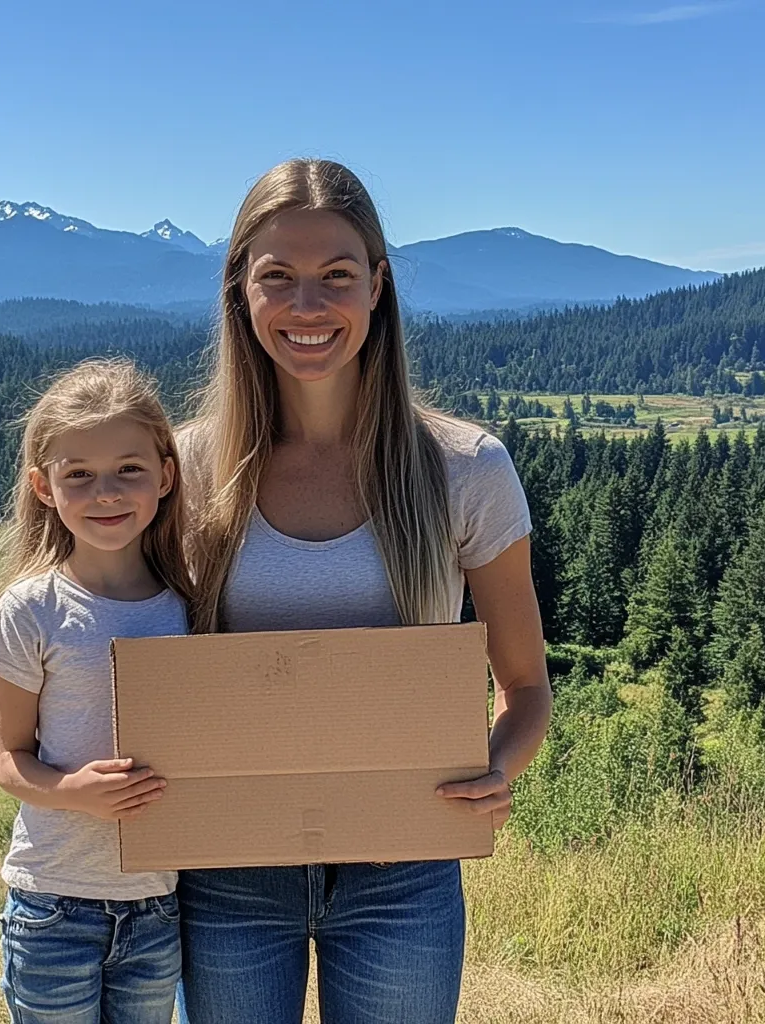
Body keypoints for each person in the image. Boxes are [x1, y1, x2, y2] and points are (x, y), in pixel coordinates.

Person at [175, 159, 553, 1024]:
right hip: (230, 874)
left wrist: (498, 771)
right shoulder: (189, 472)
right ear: (240, 290)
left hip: (405, 872)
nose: (309, 307)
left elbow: (527, 690)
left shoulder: (466, 469)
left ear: (378, 286)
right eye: (278, 277)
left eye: (337, 277)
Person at [0, 358, 192, 1024]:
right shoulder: (31, 608)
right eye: (79, 476)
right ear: (43, 486)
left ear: (166, 473)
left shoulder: (189, 606)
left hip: (159, 904)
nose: (106, 493)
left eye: (129, 469)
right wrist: (74, 792)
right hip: (52, 906)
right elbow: (9, 761)